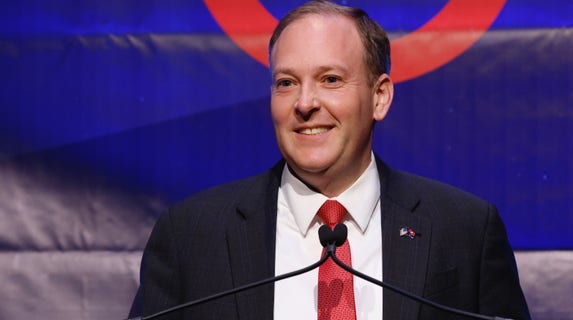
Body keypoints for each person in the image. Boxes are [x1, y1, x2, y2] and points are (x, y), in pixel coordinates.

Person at [130, 1, 530, 319]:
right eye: (286, 83)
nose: (305, 104)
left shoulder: (464, 230)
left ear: (379, 97)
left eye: (330, 80)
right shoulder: (190, 236)